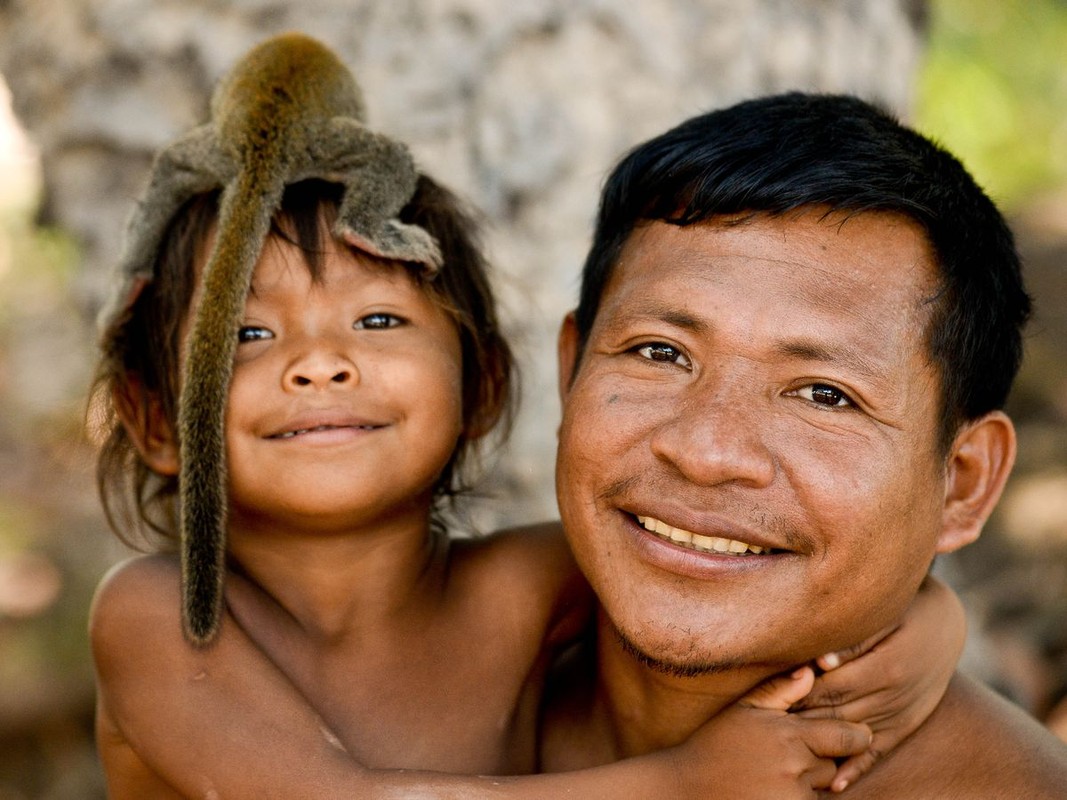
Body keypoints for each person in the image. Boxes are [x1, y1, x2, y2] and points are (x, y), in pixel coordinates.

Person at [88, 35, 962, 800]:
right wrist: (679, 788)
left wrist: (932, 629)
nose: (320, 362)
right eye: (247, 332)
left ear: (484, 388)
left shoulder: (525, 588)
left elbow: (792, 585)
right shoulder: (159, 616)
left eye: (380, 321)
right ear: (155, 417)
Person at [546, 91, 1067, 796]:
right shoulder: (422, 668)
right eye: (659, 352)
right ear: (570, 369)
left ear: (963, 482)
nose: (705, 452)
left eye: (824, 394)